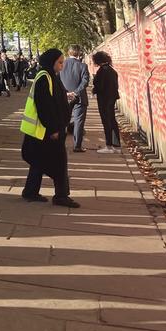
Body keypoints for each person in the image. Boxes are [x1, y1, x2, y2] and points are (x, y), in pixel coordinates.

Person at [21, 49, 79, 208]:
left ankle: (30, 191)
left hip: (44, 130)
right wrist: (53, 129)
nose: (62, 65)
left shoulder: (50, 76)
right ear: (51, 62)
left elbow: (54, 98)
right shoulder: (44, 77)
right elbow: (44, 106)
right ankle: (61, 196)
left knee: (39, 161)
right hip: (46, 130)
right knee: (59, 164)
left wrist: (66, 97)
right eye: (60, 62)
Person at [60, 44, 90, 152]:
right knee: (79, 122)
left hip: (64, 97)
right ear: (79, 53)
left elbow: (57, 81)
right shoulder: (83, 66)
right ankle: (77, 146)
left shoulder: (61, 65)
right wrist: (76, 92)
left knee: (63, 121)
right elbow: (85, 82)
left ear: (69, 52)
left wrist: (66, 93)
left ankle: (60, 145)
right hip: (79, 98)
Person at [92, 51, 121, 153]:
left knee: (106, 121)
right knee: (112, 120)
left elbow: (100, 86)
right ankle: (116, 144)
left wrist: (94, 84)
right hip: (112, 98)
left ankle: (109, 145)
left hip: (104, 99)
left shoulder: (102, 71)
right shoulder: (112, 70)